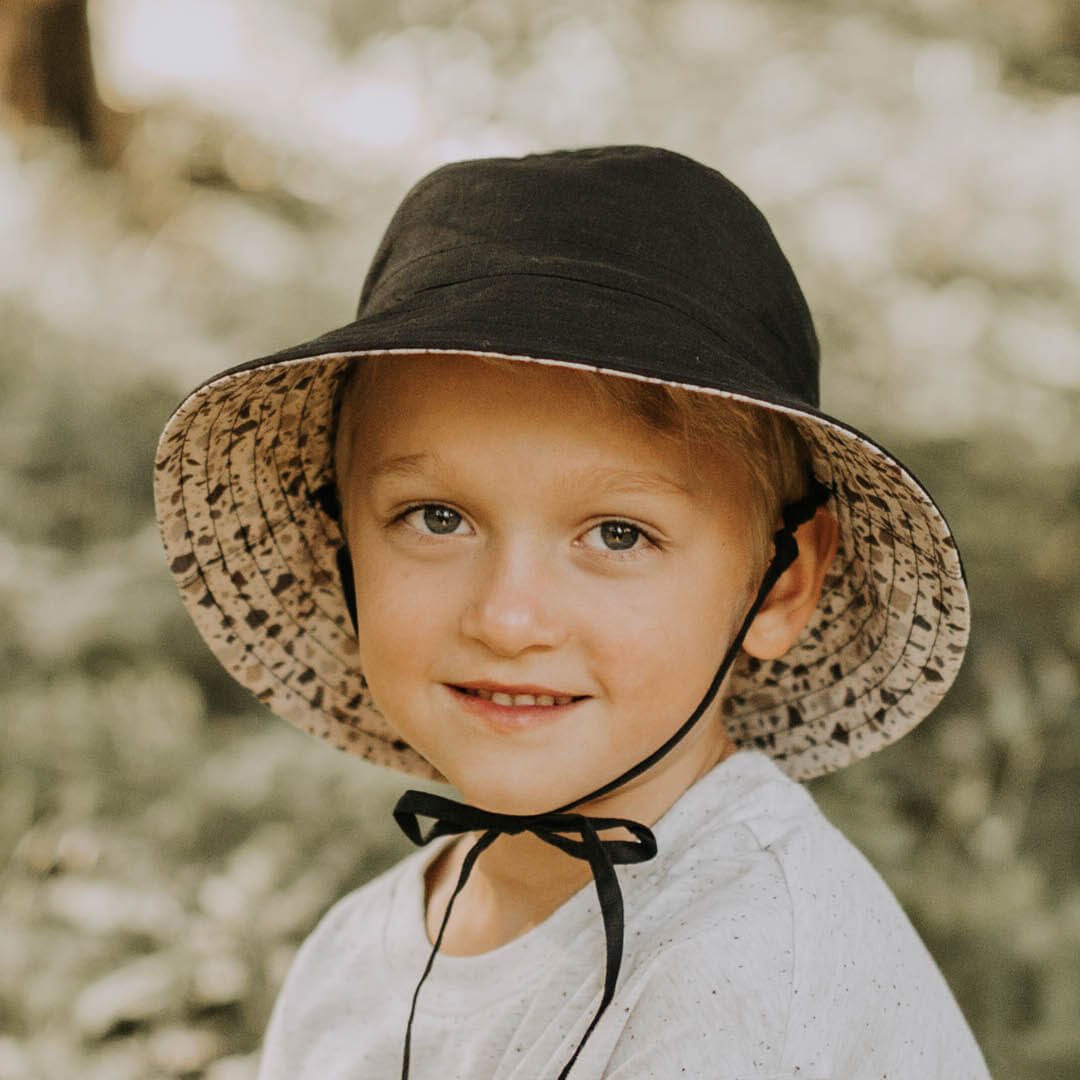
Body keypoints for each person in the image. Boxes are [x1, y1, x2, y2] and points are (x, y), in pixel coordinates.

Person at [155, 146, 991, 1079]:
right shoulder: (357, 956)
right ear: (344, 543)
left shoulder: (751, 974)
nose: (510, 621)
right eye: (438, 519)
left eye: (619, 535)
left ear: (782, 581)